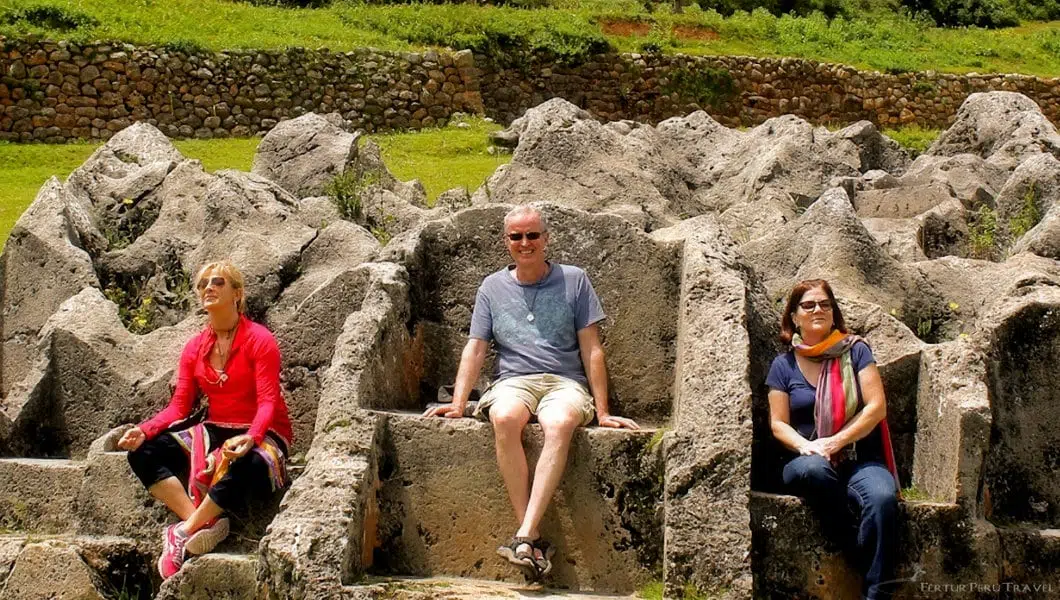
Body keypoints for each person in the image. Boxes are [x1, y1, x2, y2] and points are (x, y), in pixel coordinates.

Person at [423, 205, 639, 580]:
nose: (525, 243)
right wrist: (458, 403)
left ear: (546, 239)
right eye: (516, 237)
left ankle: (524, 535)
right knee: (504, 417)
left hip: (564, 382)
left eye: (532, 235)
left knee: (560, 422)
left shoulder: (575, 280)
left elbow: (592, 348)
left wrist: (602, 412)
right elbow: (475, 347)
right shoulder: (492, 287)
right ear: (507, 242)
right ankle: (531, 535)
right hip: (513, 381)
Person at [117, 260, 292, 579]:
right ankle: (203, 523)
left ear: (237, 293)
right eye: (202, 284)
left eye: (217, 282)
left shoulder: (260, 339)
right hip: (215, 429)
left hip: (265, 432)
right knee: (142, 453)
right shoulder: (195, 347)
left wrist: (251, 437)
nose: (207, 288)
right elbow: (178, 408)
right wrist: (143, 431)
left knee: (248, 462)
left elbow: (268, 401)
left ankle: (181, 534)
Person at [766, 279, 901, 600]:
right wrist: (806, 446)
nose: (818, 310)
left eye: (825, 304)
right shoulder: (783, 365)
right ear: (794, 316)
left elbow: (876, 407)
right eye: (809, 305)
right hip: (805, 459)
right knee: (814, 471)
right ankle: (854, 545)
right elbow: (777, 424)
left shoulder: (856, 351)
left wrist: (836, 441)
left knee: (882, 499)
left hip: (857, 459)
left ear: (834, 312)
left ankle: (877, 595)